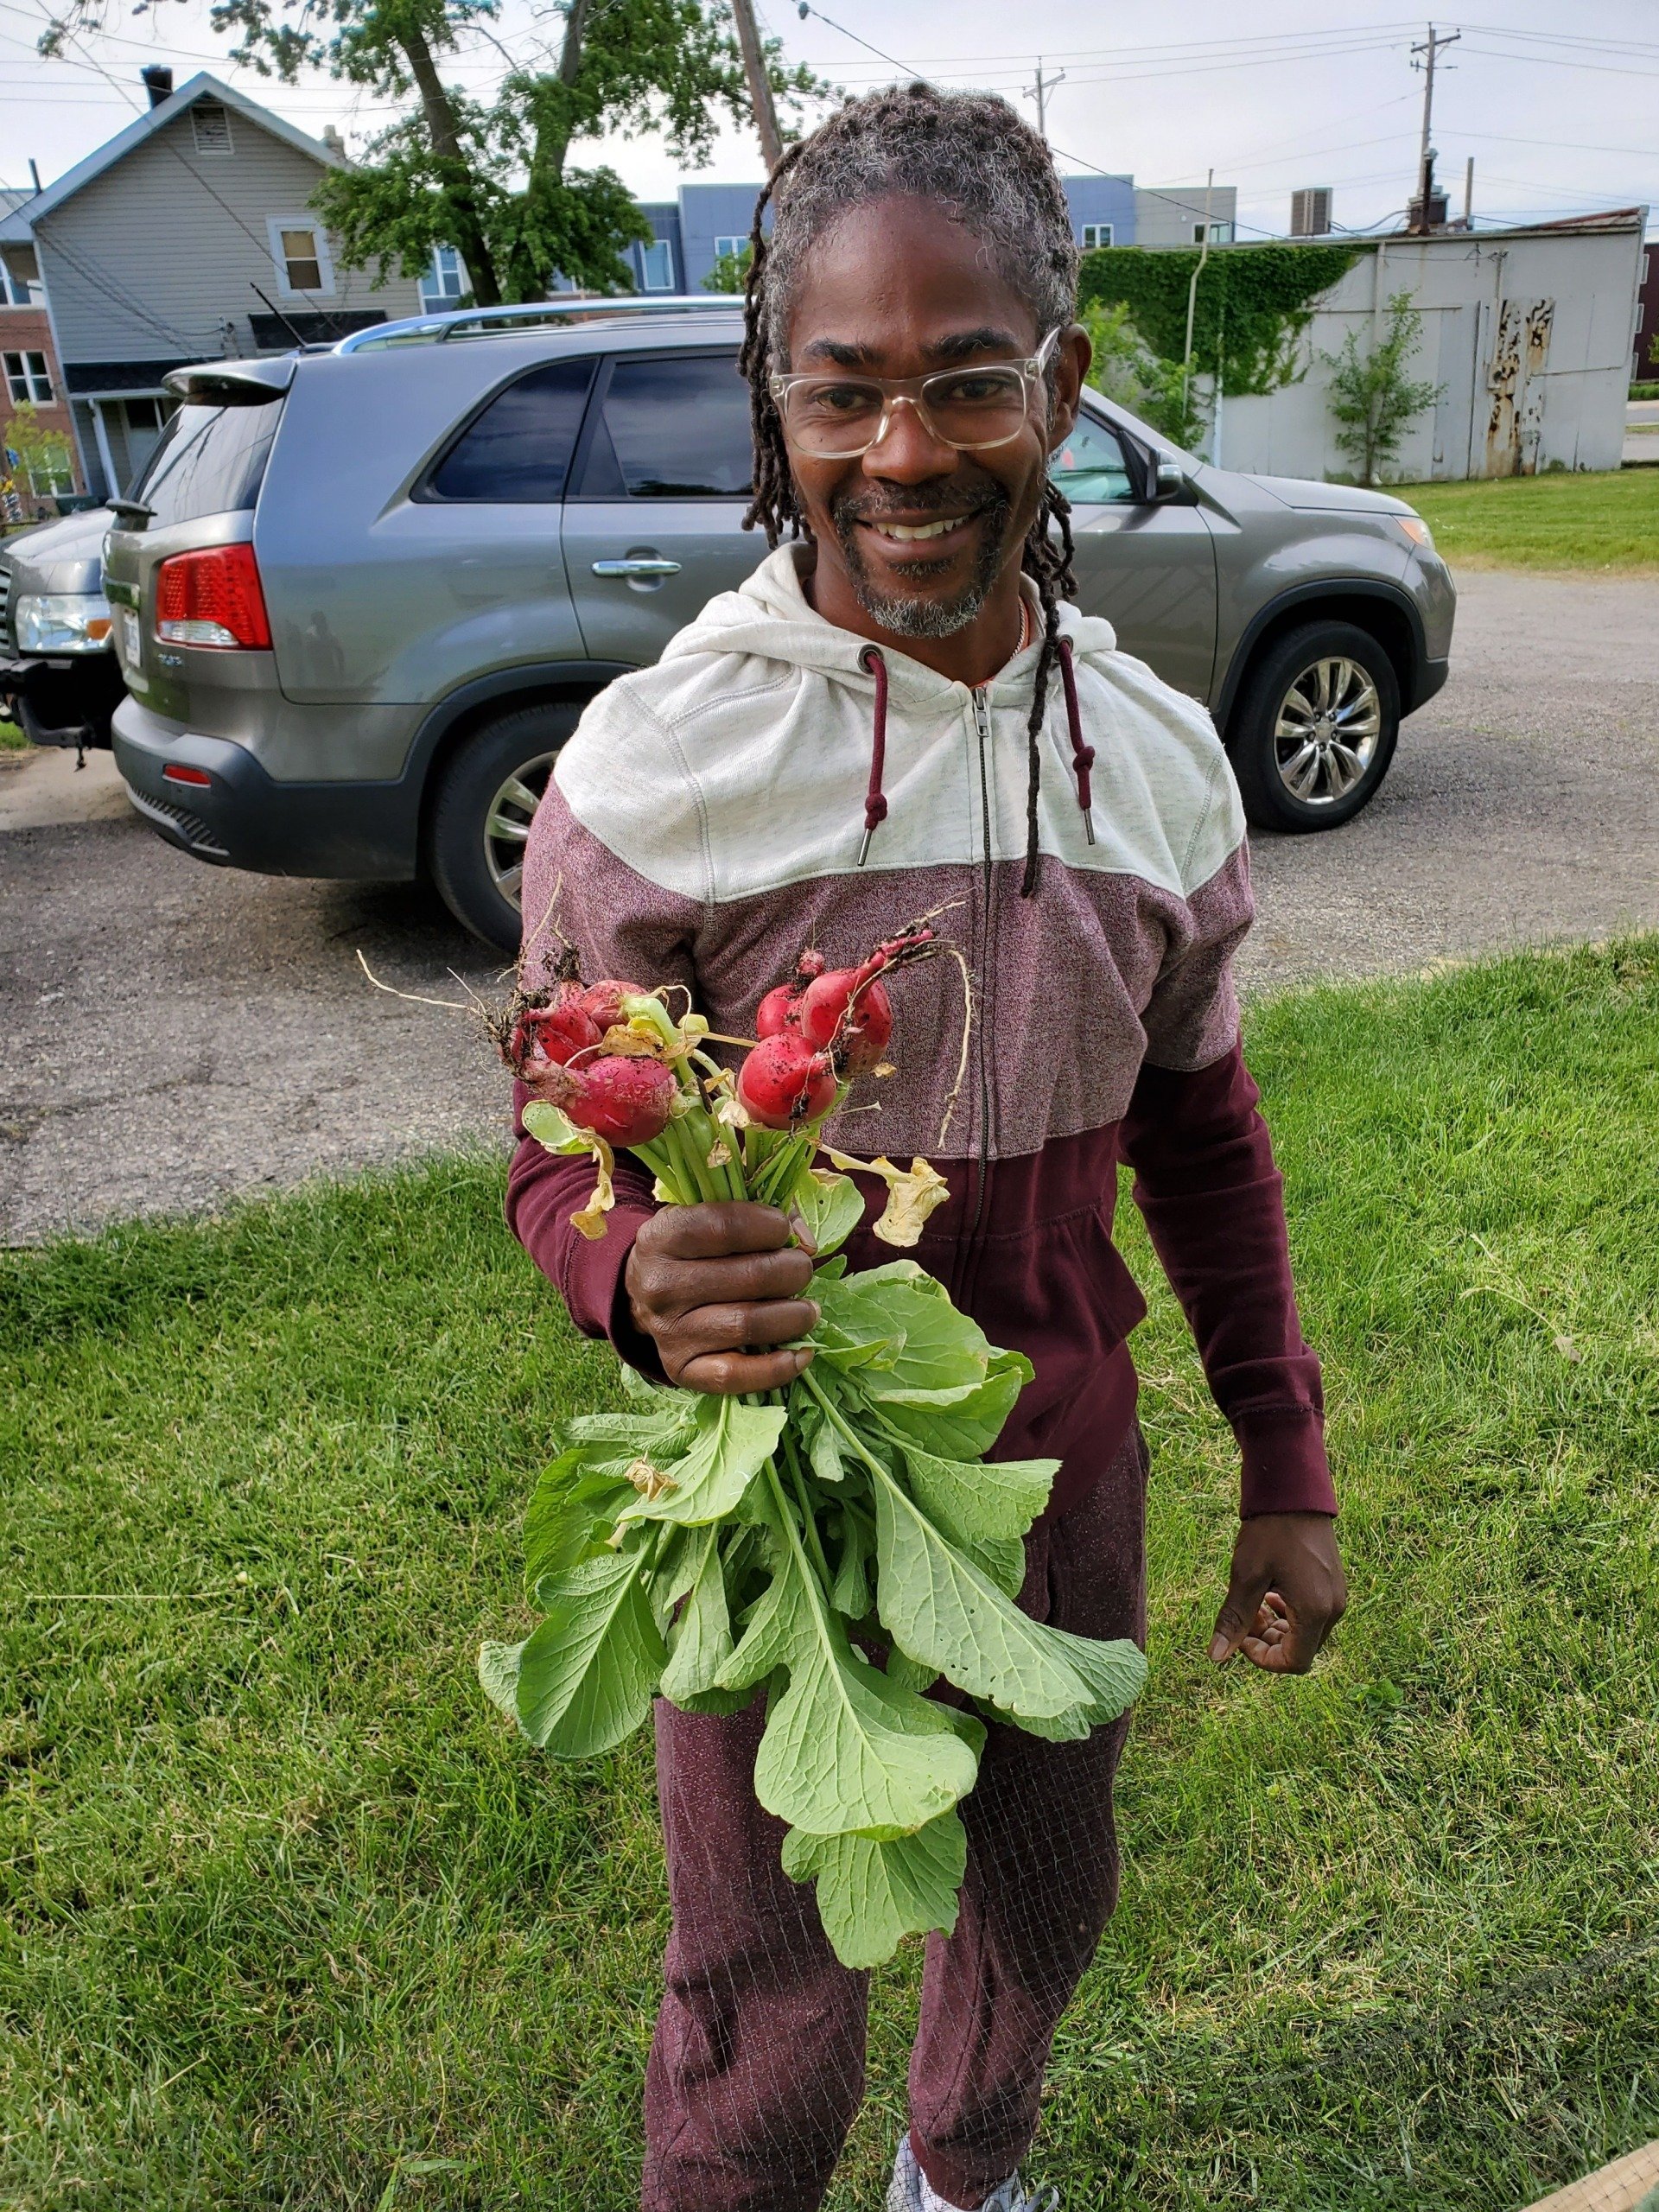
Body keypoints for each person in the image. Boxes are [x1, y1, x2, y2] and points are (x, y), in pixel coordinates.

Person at [507, 82, 1346, 2212]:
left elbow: (1207, 1135)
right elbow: (557, 1139)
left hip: (1057, 1469)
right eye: (842, 391)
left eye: (969, 381)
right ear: (773, 406)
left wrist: (1287, 1457)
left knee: (1042, 1894)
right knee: (764, 1966)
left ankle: (964, 2178)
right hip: (772, 1501)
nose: (904, 452)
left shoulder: (1156, 765)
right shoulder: (664, 765)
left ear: (1060, 383)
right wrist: (629, 1270)